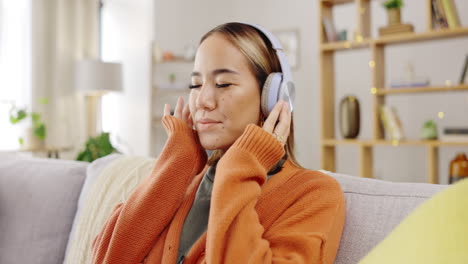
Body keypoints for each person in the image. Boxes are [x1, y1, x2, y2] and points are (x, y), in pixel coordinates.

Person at [91, 22, 345, 264]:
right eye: (195, 84)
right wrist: (177, 161)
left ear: (273, 97)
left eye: (223, 84)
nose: (203, 100)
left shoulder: (314, 194)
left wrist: (242, 167)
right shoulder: (179, 182)